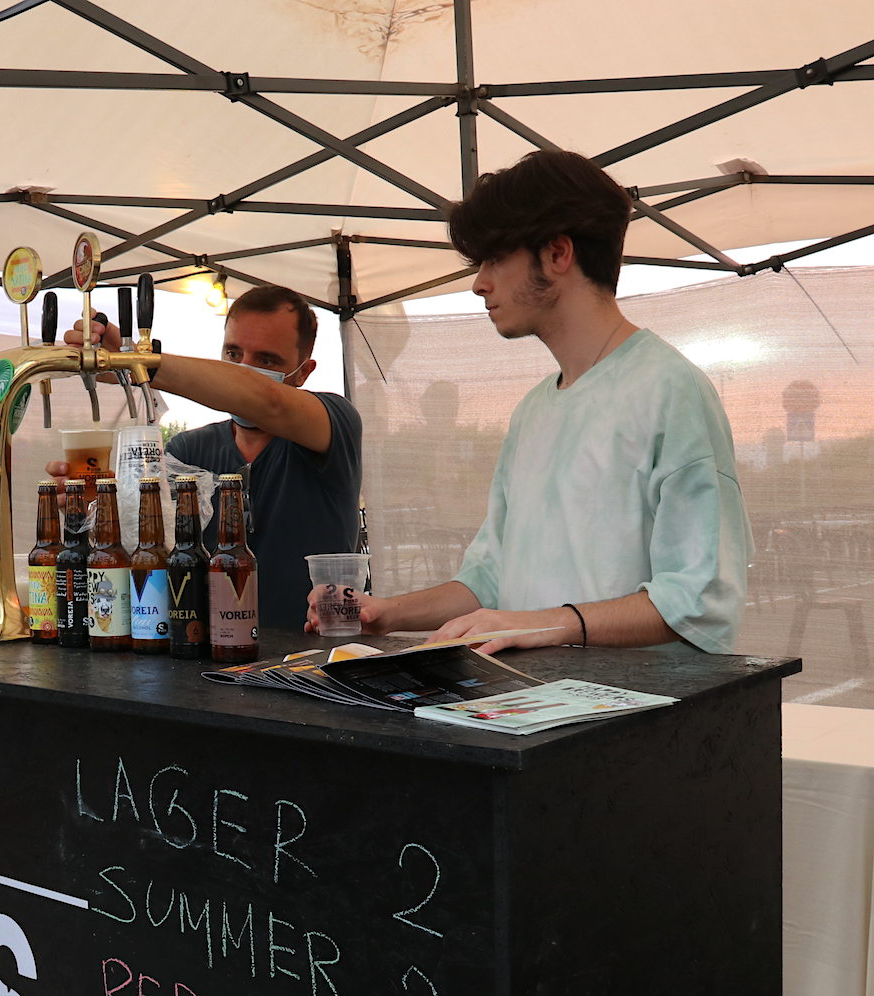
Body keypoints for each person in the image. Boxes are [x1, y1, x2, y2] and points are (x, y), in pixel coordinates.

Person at [309, 149, 751, 654]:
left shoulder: (671, 391)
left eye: (496, 258)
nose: (479, 284)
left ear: (558, 254)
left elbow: (700, 597)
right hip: (530, 712)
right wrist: (386, 613)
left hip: (634, 717)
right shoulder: (534, 410)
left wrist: (549, 624)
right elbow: (491, 578)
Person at [48, 285, 362, 630]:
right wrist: (101, 506)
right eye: (233, 354)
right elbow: (148, 553)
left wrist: (140, 362)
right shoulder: (187, 450)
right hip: (205, 661)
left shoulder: (335, 425)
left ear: (304, 371)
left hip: (307, 663)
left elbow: (270, 399)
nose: (244, 369)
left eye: (266, 360)